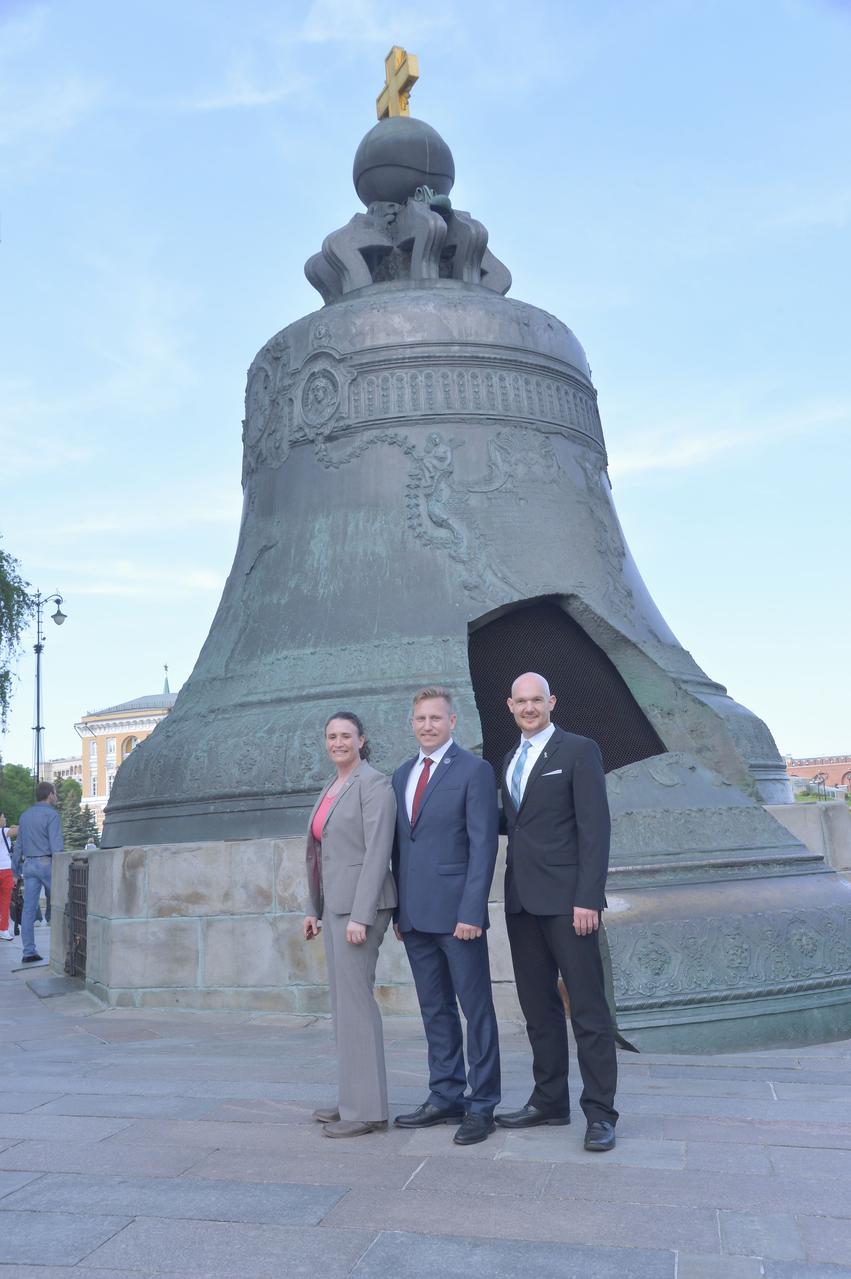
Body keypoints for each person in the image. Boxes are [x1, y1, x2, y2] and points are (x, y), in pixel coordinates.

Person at [496, 671, 619, 1152]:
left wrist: (588, 897)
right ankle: (550, 1101)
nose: (529, 708)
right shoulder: (509, 758)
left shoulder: (578, 750)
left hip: (570, 905)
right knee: (538, 1009)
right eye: (521, 701)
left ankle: (600, 1113)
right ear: (509, 705)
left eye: (537, 700)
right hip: (522, 903)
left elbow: (595, 829)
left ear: (552, 701)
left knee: (587, 1009)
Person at [392, 687, 500, 1146]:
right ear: (412, 723)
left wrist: (472, 910)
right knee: (434, 1010)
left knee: (475, 1011)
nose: (428, 725)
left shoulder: (474, 771)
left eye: (436, 718)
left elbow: (484, 846)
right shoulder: (400, 775)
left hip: (459, 918)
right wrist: (398, 910)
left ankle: (482, 1104)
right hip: (415, 917)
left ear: (453, 722)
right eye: (420, 718)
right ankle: (445, 1094)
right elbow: (400, 848)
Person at [303, 711, 397, 1138]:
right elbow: (319, 854)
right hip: (335, 907)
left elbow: (378, 852)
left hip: (363, 910)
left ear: (362, 740)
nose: (338, 742)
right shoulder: (331, 786)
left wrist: (360, 915)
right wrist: (314, 908)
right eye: (332, 736)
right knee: (343, 1008)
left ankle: (369, 1111)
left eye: (346, 736)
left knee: (357, 1007)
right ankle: (352, 1101)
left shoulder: (373, 783)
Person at [16, 782, 64, 965]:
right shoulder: (52, 815)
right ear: (50, 795)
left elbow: (19, 845)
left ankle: (28, 952)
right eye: (56, 794)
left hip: (28, 864)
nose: (57, 797)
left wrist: (15, 871)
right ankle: (65, 949)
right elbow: (57, 847)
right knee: (63, 902)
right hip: (47, 863)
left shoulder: (25, 816)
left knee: (28, 909)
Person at [0, 815, 18, 941]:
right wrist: (15, 826)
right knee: (5, 901)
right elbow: (18, 830)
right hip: (5, 870)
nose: (5, 819)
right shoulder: (3, 831)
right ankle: (3, 929)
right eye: (3, 817)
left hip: (5, 870)